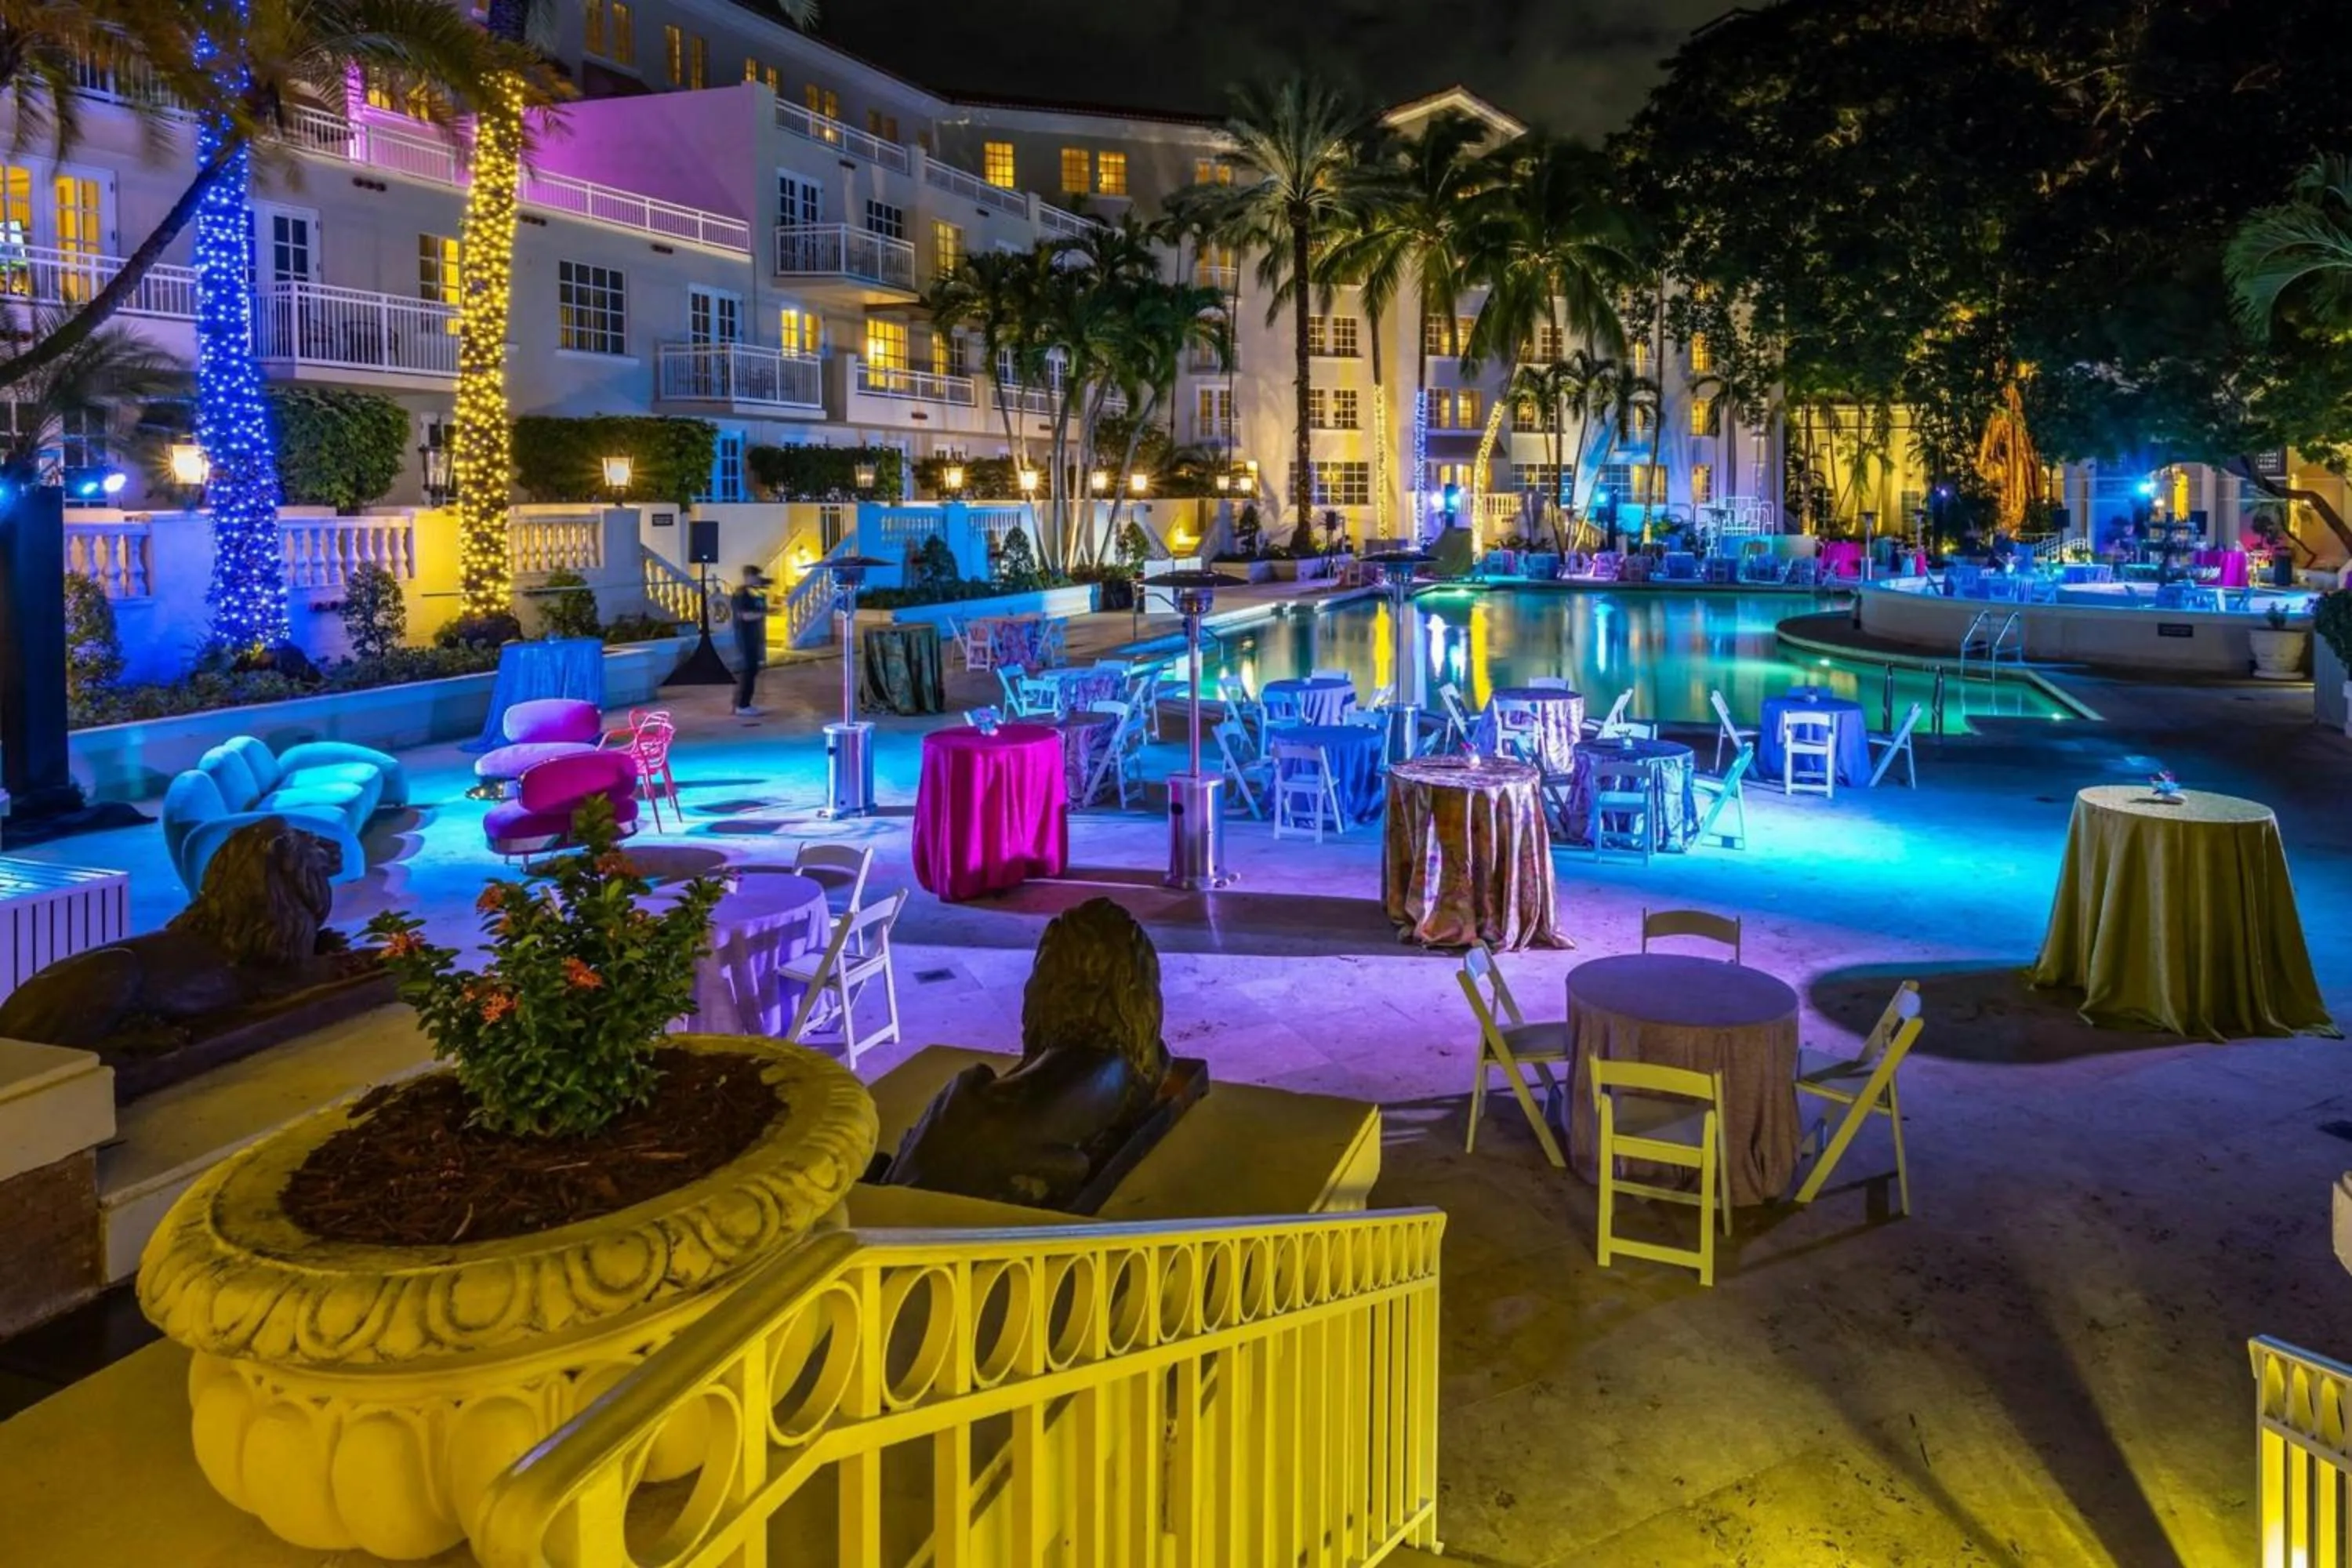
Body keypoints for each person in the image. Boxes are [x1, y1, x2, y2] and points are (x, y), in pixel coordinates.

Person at [730, 565, 769, 717]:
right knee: (749, 669)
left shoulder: (753, 593)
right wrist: (763, 613)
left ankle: (742, 703)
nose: (758, 579)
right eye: (755, 576)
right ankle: (742, 705)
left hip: (753, 636)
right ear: (748, 576)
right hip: (745, 637)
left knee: (752, 669)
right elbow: (744, 616)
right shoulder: (741, 594)